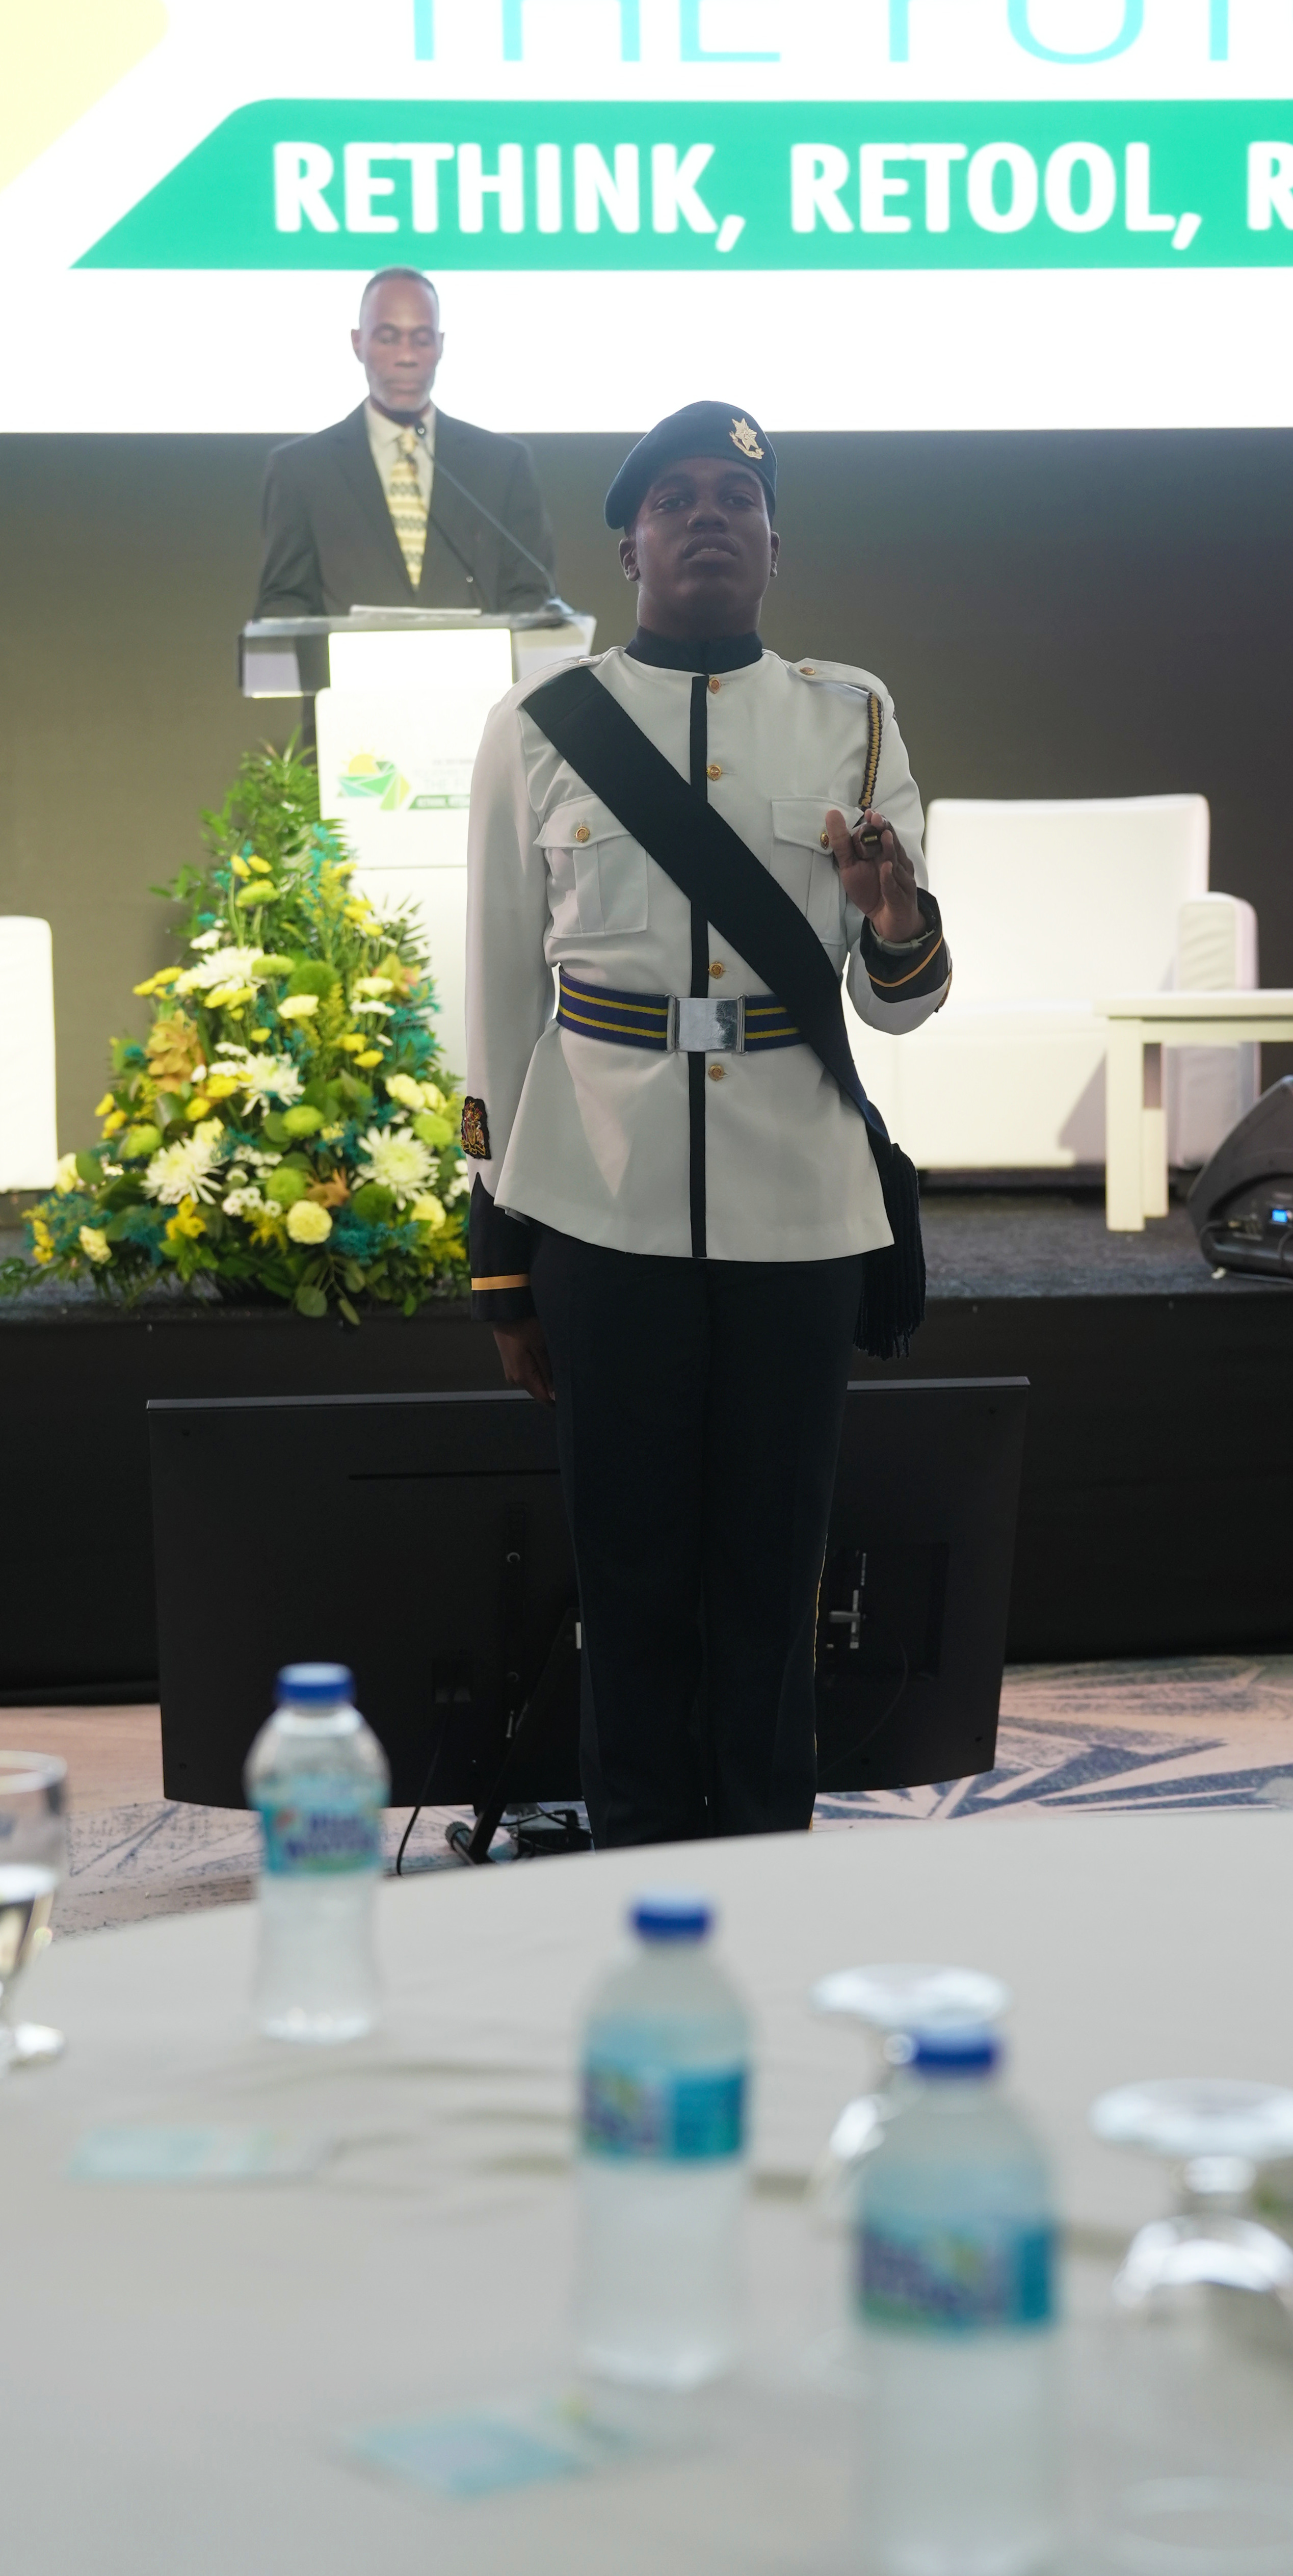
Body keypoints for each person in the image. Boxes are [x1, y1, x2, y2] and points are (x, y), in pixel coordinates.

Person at [459, 402, 954, 1848]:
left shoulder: (851, 718)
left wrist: (895, 920)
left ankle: (763, 1846)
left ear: (774, 543)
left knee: (773, 1565)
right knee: (625, 1569)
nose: (707, 519)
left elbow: (903, 1000)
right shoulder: (540, 724)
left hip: (797, 1205)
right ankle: (630, 1849)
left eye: (736, 498)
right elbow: (497, 994)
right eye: (672, 499)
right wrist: (500, 1256)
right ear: (628, 546)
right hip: (597, 1198)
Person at [253, 268, 561, 703]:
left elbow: (532, 594)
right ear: (357, 343)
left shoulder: (504, 464)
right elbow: (284, 604)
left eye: (421, 339)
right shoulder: (300, 469)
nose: (406, 356)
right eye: (387, 337)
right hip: (353, 711)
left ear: (441, 346)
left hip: (479, 707)